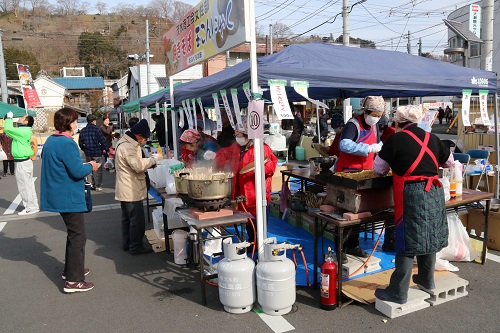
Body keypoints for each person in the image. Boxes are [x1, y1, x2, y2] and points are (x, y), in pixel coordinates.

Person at [373, 104, 453, 304]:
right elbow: (450, 162)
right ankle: (427, 280)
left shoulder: (396, 139)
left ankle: (398, 292)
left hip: (411, 193)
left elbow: (378, 169)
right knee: (429, 233)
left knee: (408, 239)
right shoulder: (432, 138)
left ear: (399, 123)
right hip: (434, 191)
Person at [40, 107, 100, 293]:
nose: (76, 124)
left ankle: (71, 270)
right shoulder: (67, 143)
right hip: (68, 195)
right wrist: (91, 165)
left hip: (58, 193)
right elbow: (77, 171)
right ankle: (74, 281)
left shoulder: (51, 140)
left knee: (73, 234)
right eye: (74, 120)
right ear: (69, 123)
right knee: (78, 236)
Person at [334, 96, 385, 262]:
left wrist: (379, 149)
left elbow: (377, 144)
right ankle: (340, 248)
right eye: (374, 114)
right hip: (347, 173)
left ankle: (353, 245)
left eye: (379, 114)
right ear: (365, 111)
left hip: (365, 173)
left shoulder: (375, 126)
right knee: (345, 213)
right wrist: (367, 148)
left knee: (360, 212)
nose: (376, 117)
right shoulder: (353, 124)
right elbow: (344, 145)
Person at [214, 116, 278, 243]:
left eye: (240, 134)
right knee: (247, 221)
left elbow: (271, 165)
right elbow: (224, 154)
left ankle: (260, 245)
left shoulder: (262, 148)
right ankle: (251, 241)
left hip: (256, 193)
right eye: (236, 134)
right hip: (241, 192)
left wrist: (260, 169)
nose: (237, 137)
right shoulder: (237, 147)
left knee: (258, 222)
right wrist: (214, 155)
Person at [115, 119, 158, 255]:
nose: (144, 141)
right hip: (130, 188)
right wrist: (152, 161)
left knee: (128, 218)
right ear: (139, 135)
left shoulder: (125, 142)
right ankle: (135, 246)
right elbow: (138, 165)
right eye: (144, 137)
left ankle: (127, 243)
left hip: (126, 186)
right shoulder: (128, 146)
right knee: (136, 220)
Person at [4, 113, 39, 215]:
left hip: (22, 163)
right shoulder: (24, 131)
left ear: (26, 122)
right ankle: (33, 206)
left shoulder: (23, 131)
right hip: (25, 162)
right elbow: (9, 131)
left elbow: (8, 130)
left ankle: (29, 207)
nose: (20, 118)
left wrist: (9, 118)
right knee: (29, 185)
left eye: (23, 118)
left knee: (24, 186)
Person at [79, 114, 109, 191]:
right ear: (93, 121)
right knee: (98, 169)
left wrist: (85, 149)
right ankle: (98, 185)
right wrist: (107, 150)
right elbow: (102, 141)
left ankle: (90, 183)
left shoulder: (83, 130)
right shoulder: (97, 130)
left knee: (89, 168)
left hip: (88, 153)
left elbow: (80, 143)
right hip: (97, 152)